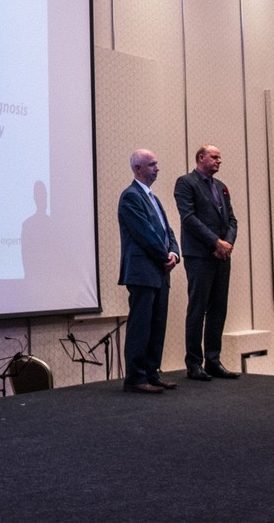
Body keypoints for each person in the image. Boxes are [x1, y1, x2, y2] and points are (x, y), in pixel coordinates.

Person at [117, 149, 181, 393]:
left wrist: (174, 253)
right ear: (138, 169)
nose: (157, 168)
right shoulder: (130, 197)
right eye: (152, 164)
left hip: (160, 271)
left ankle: (152, 373)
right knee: (141, 326)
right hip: (143, 272)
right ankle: (135, 378)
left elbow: (167, 231)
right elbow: (145, 234)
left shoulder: (153, 198)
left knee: (157, 325)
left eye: (156, 163)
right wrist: (164, 256)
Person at [174, 144, 239, 381]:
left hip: (222, 255)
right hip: (199, 255)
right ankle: (194, 363)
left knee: (218, 309)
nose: (219, 161)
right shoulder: (186, 183)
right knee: (198, 308)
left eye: (220, 157)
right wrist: (215, 242)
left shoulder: (221, 187)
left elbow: (232, 220)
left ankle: (213, 360)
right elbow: (189, 218)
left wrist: (227, 243)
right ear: (201, 158)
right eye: (214, 157)